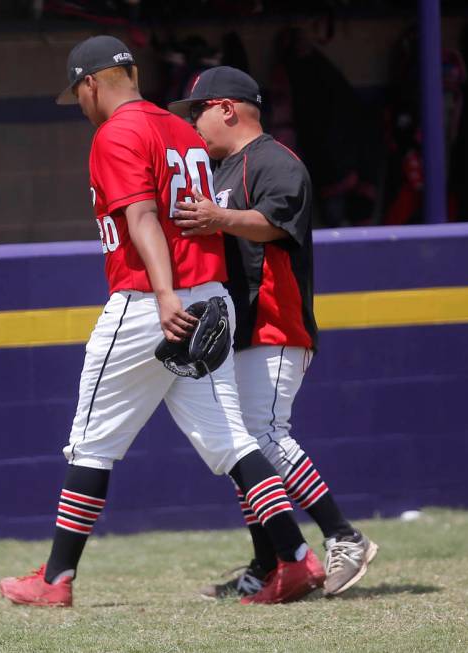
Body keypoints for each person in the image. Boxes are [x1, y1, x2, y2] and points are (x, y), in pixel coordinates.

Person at [0, 36, 326, 608]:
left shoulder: (117, 131)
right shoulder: (182, 131)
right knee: (231, 440)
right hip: (211, 295)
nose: (78, 104)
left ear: (91, 82)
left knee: (90, 443)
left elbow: (143, 216)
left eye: (77, 93)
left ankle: (54, 581)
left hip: (153, 301)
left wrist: (165, 291)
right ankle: (296, 559)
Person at [168, 66, 378, 598]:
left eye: (199, 111)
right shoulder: (219, 169)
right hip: (242, 326)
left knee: (265, 437)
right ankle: (271, 563)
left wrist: (218, 218)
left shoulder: (276, 161)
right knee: (245, 445)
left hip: (275, 321)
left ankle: (343, 535)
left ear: (227, 109)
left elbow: (275, 223)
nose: (194, 123)